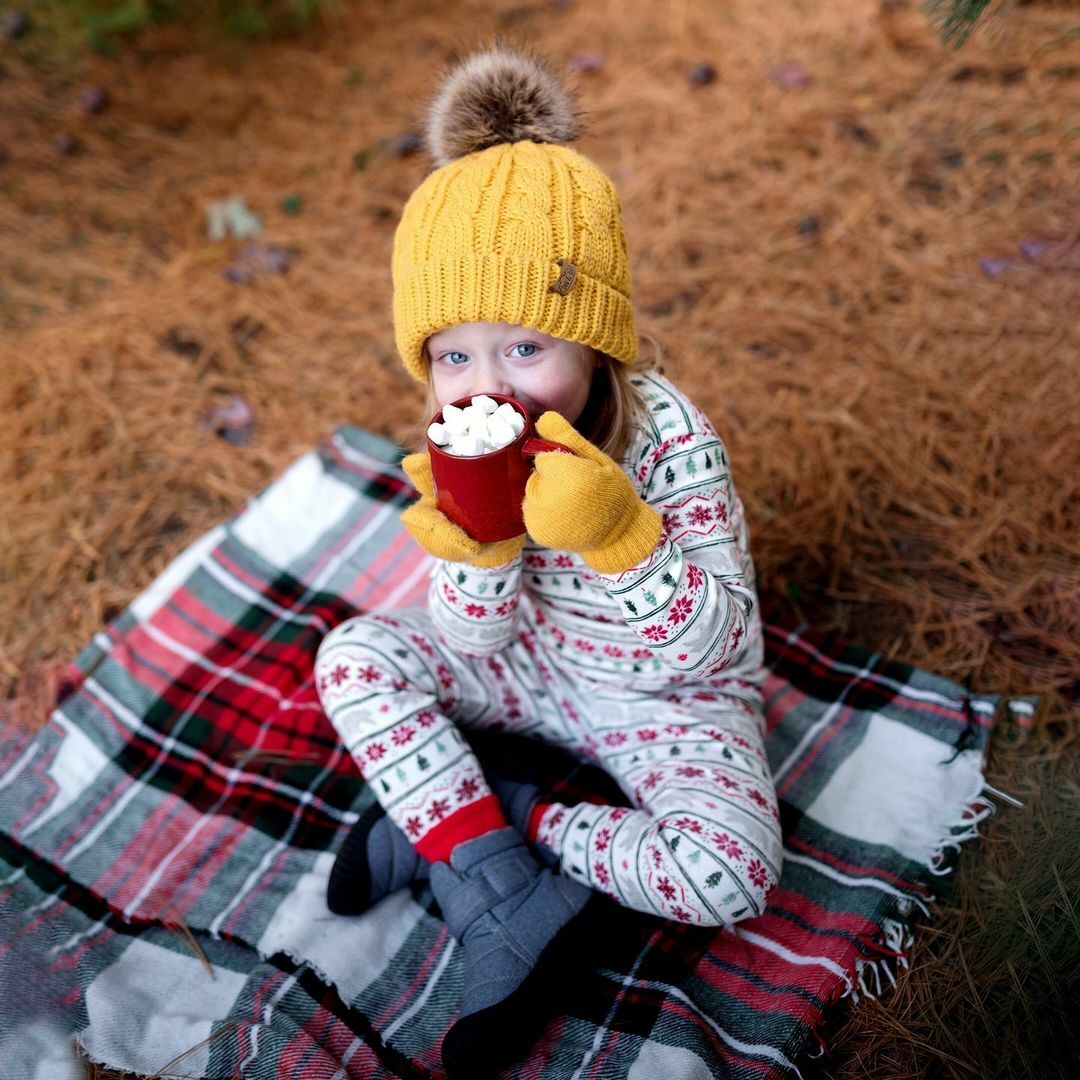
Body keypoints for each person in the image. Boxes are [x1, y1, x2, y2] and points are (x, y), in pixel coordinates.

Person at [314, 44, 782, 1075]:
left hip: (666, 700)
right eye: (453, 355)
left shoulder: (668, 441)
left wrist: (621, 537)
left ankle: (503, 816)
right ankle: (491, 881)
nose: (490, 382)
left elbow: (724, 643)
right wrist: (478, 545)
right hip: (526, 667)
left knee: (733, 875)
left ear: (595, 339)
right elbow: (470, 633)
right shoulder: (459, 436)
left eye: (527, 347)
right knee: (352, 658)